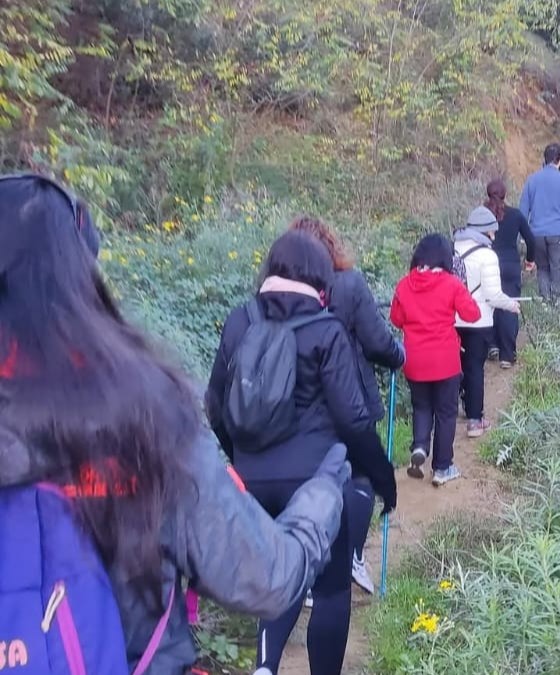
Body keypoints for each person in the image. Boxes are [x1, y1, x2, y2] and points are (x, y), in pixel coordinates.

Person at [0, 174, 346, 675]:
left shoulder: (237, 323)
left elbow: (218, 396)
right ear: (82, 277)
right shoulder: (139, 418)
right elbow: (267, 578)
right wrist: (323, 495)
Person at [206, 230, 397, 675]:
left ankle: (265, 666)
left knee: (278, 578)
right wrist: (381, 475)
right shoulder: (325, 329)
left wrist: (240, 458)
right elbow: (352, 419)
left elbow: (214, 402)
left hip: (253, 480)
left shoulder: (240, 320)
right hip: (315, 483)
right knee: (330, 591)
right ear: (320, 276)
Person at [289, 216, 404, 596]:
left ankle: (306, 567)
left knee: (310, 480)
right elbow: (375, 341)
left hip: (297, 404)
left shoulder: (276, 290)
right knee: (360, 478)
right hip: (349, 396)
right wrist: (397, 356)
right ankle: (351, 555)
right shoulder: (349, 283)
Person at [390, 234, 480, 486]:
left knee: (422, 407)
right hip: (445, 360)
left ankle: (419, 446)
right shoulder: (451, 284)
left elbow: (396, 319)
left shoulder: (404, 284)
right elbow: (472, 314)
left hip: (414, 360)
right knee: (446, 412)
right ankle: (442, 467)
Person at [454, 206, 520, 438]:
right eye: (492, 231)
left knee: (457, 366)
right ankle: (475, 420)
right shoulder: (487, 256)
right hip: (478, 320)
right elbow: (492, 295)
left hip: (452, 319)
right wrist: (511, 305)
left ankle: (458, 407)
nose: (494, 235)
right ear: (485, 231)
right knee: (474, 368)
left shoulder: (451, 248)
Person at [519, 143, 560, 302]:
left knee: (542, 269)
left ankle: (545, 302)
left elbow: (522, 211)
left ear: (545, 159)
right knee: (559, 269)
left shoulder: (531, 180)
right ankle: (557, 304)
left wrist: (524, 235)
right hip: (559, 232)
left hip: (536, 234)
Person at [485, 179, 535, 368]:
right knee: (508, 306)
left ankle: (491, 345)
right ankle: (507, 355)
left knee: (489, 304)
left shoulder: (481, 214)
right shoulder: (515, 214)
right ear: (505, 194)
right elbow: (530, 239)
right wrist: (530, 260)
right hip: (510, 265)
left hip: (487, 263)